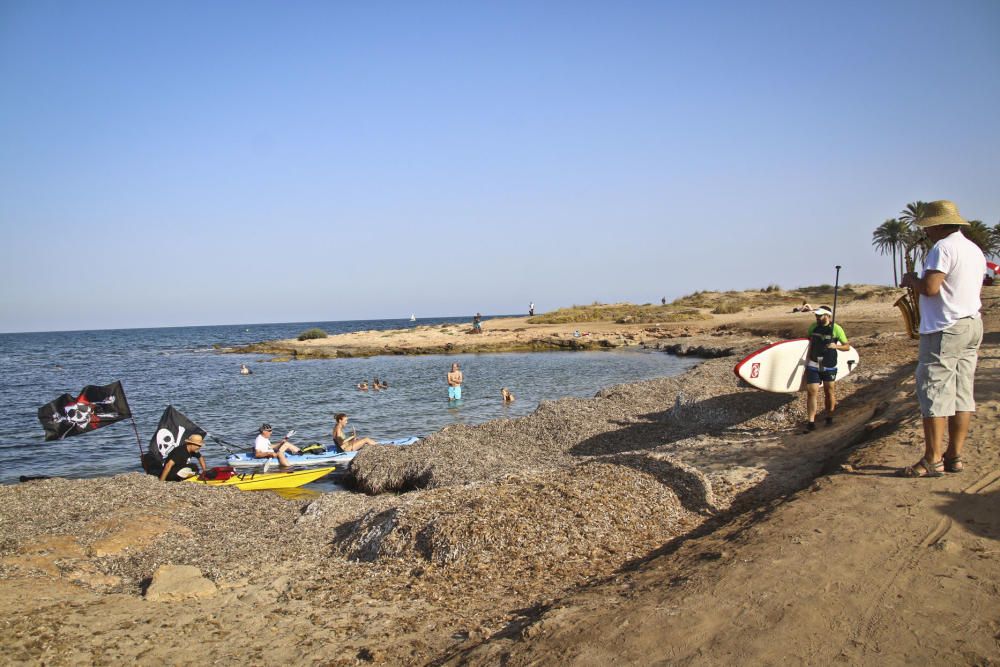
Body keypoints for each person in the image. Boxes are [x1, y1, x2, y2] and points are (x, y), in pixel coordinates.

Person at [898, 200, 986, 477]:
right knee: (962, 394)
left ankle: (932, 459)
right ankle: (954, 457)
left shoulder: (943, 248)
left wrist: (911, 280)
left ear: (937, 225)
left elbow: (931, 288)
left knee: (934, 392)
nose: (926, 233)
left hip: (945, 329)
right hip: (971, 324)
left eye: (928, 227)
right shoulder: (974, 249)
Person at [803, 306, 850, 432]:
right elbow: (807, 342)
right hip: (815, 363)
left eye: (820, 315)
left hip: (829, 364)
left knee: (829, 391)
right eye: (816, 315)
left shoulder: (836, 328)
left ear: (827, 316)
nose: (817, 317)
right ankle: (811, 422)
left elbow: (847, 347)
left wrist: (836, 346)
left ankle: (829, 417)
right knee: (812, 391)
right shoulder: (813, 327)